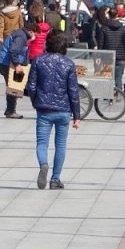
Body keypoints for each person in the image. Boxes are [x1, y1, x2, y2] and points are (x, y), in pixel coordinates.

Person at [26, 31, 80, 189]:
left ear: (47, 43)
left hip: (43, 109)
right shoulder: (69, 64)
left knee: (42, 142)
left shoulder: (38, 61)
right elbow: (73, 91)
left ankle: (43, 164)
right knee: (60, 144)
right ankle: (55, 179)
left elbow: (32, 85)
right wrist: (76, 115)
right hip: (63, 109)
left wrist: (35, 101)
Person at [0, 20, 36, 119]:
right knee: (13, 86)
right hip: (7, 63)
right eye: (35, 34)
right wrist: (17, 64)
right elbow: (13, 50)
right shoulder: (21, 37)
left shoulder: (21, 34)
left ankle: (10, 109)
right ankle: (10, 111)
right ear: (31, 31)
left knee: (14, 86)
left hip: (5, 62)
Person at [94, 7, 125, 95]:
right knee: (118, 77)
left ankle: (107, 94)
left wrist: (99, 55)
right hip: (120, 56)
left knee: (107, 76)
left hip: (107, 56)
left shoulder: (104, 28)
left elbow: (100, 43)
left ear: (108, 15)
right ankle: (119, 94)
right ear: (117, 15)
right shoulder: (123, 28)